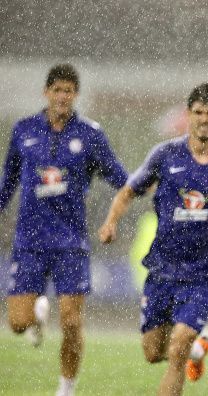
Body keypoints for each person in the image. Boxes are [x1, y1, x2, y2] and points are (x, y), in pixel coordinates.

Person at [98, 83, 208, 396]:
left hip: (204, 272)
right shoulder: (165, 154)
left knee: (178, 346)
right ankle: (198, 346)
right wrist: (110, 223)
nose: (204, 119)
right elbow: (128, 191)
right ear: (189, 115)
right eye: (198, 112)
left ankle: (190, 343)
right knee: (153, 352)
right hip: (162, 269)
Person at [0, 63, 128, 396]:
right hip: (29, 241)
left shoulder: (89, 135)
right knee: (16, 323)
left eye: (68, 91)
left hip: (71, 241)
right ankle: (37, 317)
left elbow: (119, 176)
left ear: (75, 95)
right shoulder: (24, 130)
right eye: (56, 90)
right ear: (46, 92)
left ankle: (66, 389)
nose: (62, 96)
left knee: (72, 322)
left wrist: (140, 192)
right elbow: (8, 182)